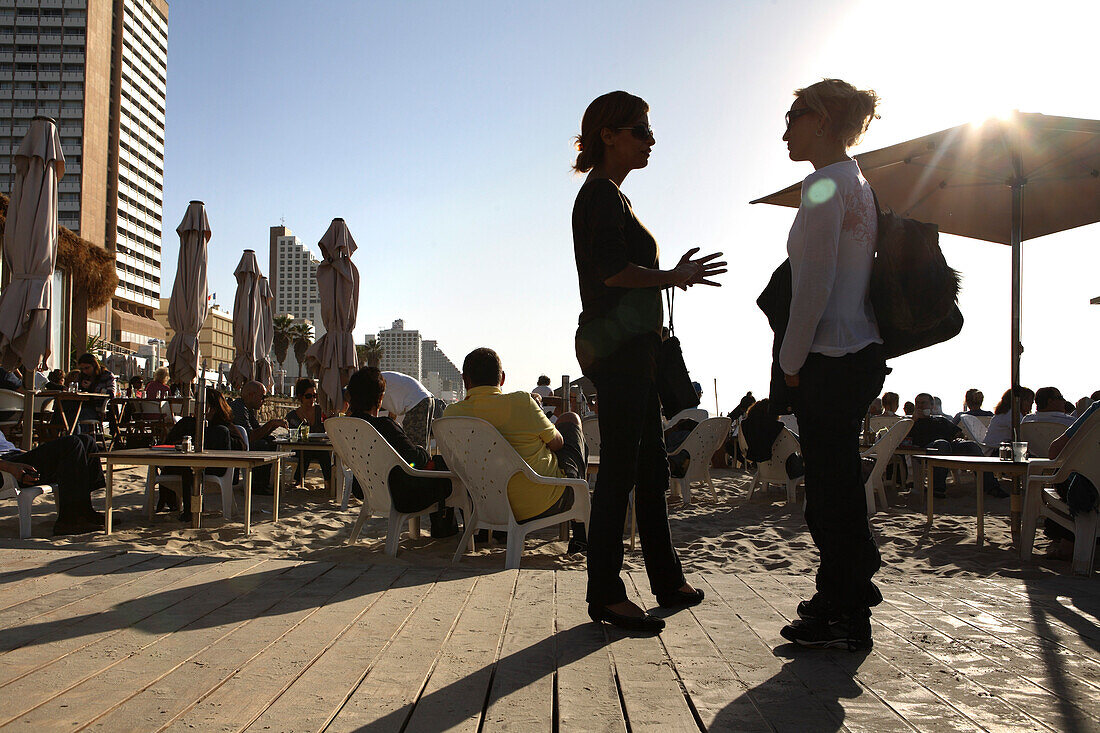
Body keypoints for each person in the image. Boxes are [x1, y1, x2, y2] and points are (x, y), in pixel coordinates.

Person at [571, 91, 724, 634]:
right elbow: (612, 271)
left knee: (650, 469)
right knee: (619, 471)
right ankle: (606, 594)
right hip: (617, 351)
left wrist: (666, 278)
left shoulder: (614, 197)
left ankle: (664, 577)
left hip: (635, 351)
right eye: (641, 129)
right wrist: (671, 277)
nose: (651, 139)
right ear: (608, 134)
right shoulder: (600, 197)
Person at [772, 79, 887, 652]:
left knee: (829, 491)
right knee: (838, 485)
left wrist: (791, 364)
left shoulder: (821, 185)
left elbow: (811, 286)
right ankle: (841, 595)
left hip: (830, 356)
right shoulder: (857, 182)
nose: (786, 128)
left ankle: (844, 606)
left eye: (794, 115)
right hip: (858, 350)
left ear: (821, 119)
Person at [443, 348, 589, 548]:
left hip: (483, 505)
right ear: (502, 379)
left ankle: (490, 531)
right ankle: (580, 531)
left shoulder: (452, 415)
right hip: (541, 503)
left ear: (465, 380)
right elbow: (558, 444)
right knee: (571, 420)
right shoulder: (521, 402)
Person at [345, 367, 456, 537]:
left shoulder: (346, 427)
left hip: (365, 490)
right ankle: (446, 532)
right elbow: (415, 460)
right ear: (380, 399)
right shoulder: (385, 426)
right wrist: (421, 450)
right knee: (442, 467)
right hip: (401, 495)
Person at [0, 427, 105, 535]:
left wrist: (35, 453)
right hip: (6, 467)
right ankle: (69, 521)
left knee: (87, 441)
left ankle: (85, 512)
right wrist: (10, 467)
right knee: (71, 444)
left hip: (13, 456)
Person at [160, 387, 246, 518]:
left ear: (214, 408)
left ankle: (191, 510)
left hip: (214, 468)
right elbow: (168, 443)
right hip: (183, 466)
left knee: (192, 467)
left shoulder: (224, 427)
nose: (196, 409)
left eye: (203, 406)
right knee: (188, 467)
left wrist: (214, 438)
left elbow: (241, 447)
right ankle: (185, 508)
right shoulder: (188, 423)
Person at [907, 392, 1004, 498]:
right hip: (927, 449)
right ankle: (937, 488)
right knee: (942, 443)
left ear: (931, 405)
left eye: (923, 403)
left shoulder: (940, 420)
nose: (920, 406)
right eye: (917, 403)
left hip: (948, 447)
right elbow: (903, 438)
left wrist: (960, 439)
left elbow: (959, 434)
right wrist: (913, 420)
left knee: (971, 445)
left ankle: (991, 487)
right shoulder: (911, 422)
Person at [231, 380, 288, 494]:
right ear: (251, 395)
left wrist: (273, 426)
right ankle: (257, 485)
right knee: (262, 445)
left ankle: (263, 483)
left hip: (243, 443)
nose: (264, 400)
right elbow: (250, 437)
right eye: (262, 397)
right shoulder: (239, 408)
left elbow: (259, 432)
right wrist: (271, 424)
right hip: (236, 447)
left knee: (271, 441)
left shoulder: (247, 409)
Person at [284, 377, 331, 485]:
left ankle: (328, 482)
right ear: (300, 396)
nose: (312, 399)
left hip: (320, 448)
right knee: (305, 451)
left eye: (314, 396)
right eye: (308, 396)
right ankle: (299, 481)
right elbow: (291, 436)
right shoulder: (293, 416)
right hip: (300, 450)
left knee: (322, 452)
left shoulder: (321, 412)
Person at [379, 371, 435, 449]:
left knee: (412, 446)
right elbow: (395, 398)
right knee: (418, 445)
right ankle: (419, 460)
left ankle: (414, 461)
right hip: (424, 398)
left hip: (417, 401)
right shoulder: (381, 379)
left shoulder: (373, 383)